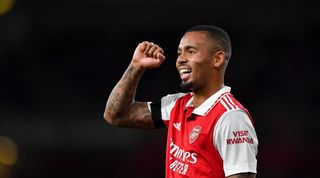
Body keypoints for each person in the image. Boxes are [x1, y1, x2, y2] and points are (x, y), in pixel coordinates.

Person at [104, 25, 258, 178]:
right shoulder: (176, 105)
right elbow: (116, 115)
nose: (180, 60)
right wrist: (136, 66)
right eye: (179, 53)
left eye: (191, 52)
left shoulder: (231, 117)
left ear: (217, 59)